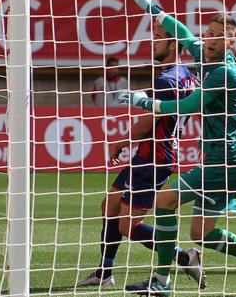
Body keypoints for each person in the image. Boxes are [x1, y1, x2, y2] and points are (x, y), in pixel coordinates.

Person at [120, 0, 236, 296]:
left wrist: (146, 103)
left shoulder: (224, 72)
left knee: (164, 201)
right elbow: (183, 33)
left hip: (226, 158)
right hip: (223, 156)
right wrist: (152, 9)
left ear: (231, 43)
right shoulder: (205, 53)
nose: (210, 40)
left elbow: (189, 106)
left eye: (218, 37)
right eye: (209, 34)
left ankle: (161, 281)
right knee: (202, 233)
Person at [78, 23, 204, 288]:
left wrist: (121, 142)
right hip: (149, 156)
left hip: (154, 159)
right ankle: (105, 272)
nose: (153, 42)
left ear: (174, 45)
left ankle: (184, 256)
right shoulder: (188, 76)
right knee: (109, 206)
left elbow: (149, 121)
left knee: (127, 225)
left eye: (158, 38)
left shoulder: (167, 78)